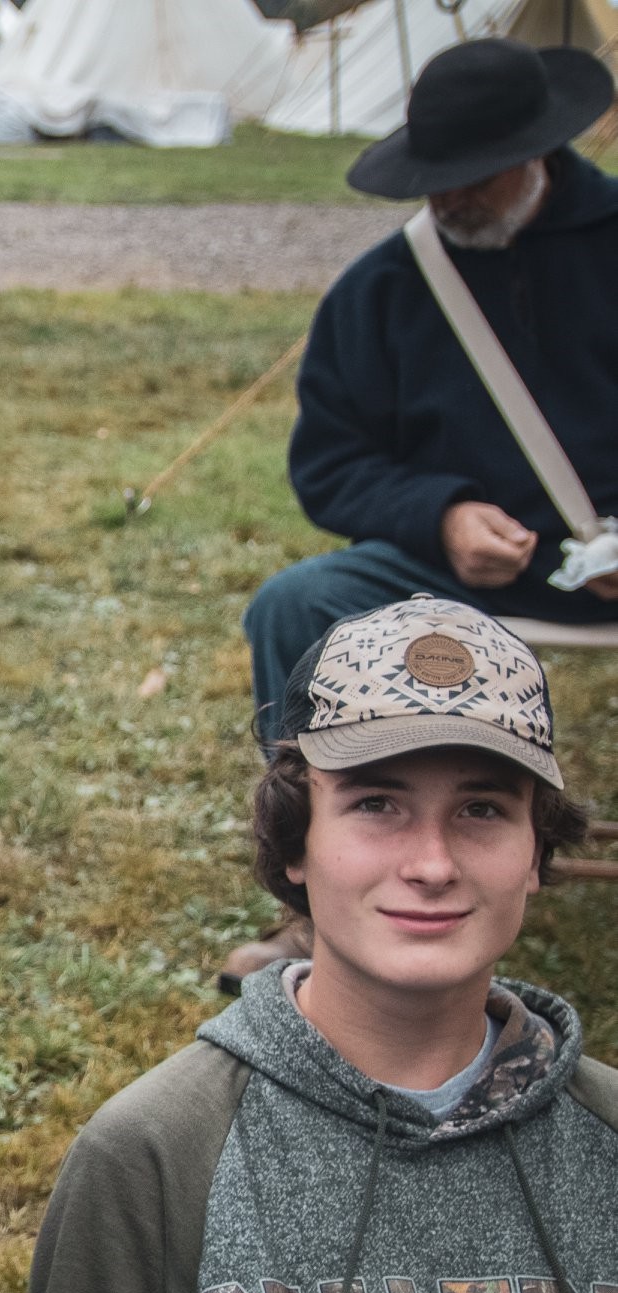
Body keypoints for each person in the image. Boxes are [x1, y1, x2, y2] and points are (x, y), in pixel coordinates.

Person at [0, 594, 618, 1293]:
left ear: (536, 852)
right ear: (296, 842)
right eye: (376, 804)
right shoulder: (156, 1156)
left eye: (482, 809)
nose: (432, 864)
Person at [226, 36, 618, 986]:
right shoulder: (385, 288)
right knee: (296, 605)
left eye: (474, 178)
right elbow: (330, 463)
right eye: (435, 179)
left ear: (538, 153)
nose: (450, 201)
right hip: (451, 574)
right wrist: (440, 516)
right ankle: (318, 911)